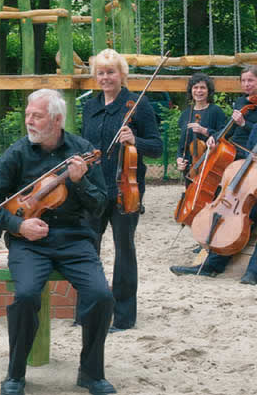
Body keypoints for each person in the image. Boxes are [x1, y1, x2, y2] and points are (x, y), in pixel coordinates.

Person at [0, 89, 115, 395]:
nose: (29, 121)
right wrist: (18, 225)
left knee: (102, 296)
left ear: (57, 119)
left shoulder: (81, 150)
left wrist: (80, 182)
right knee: (25, 296)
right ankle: (15, 374)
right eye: (28, 115)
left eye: (36, 116)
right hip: (29, 243)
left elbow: (100, 205)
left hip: (74, 239)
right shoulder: (18, 152)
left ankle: (91, 373)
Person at [171, 80, 257, 285]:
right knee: (234, 220)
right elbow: (249, 154)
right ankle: (211, 266)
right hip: (254, 189)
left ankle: (254, 273)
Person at [81, 48, 162, 333]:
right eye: (101, 73)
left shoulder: (137, 104)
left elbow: (156, 146)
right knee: (88, 249)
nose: (105, 78)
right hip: (93, 189)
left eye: (110, 72)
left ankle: (124, 316)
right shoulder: (90, 107)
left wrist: (134, 139)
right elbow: (84, 146)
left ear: (122, 74)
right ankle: (89, 307)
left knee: (123, 250)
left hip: (125, 190)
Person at [176, 73, 226, 177]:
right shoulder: (186, 114)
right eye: (195, 87)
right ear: (191, 90)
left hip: (211, 164)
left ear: (209, 91)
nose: (199, 91)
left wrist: (204, 130)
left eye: (203, 88)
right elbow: (182, 144)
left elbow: (225, 134)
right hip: (190, 167)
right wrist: (179, 158)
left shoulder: (216, 111)